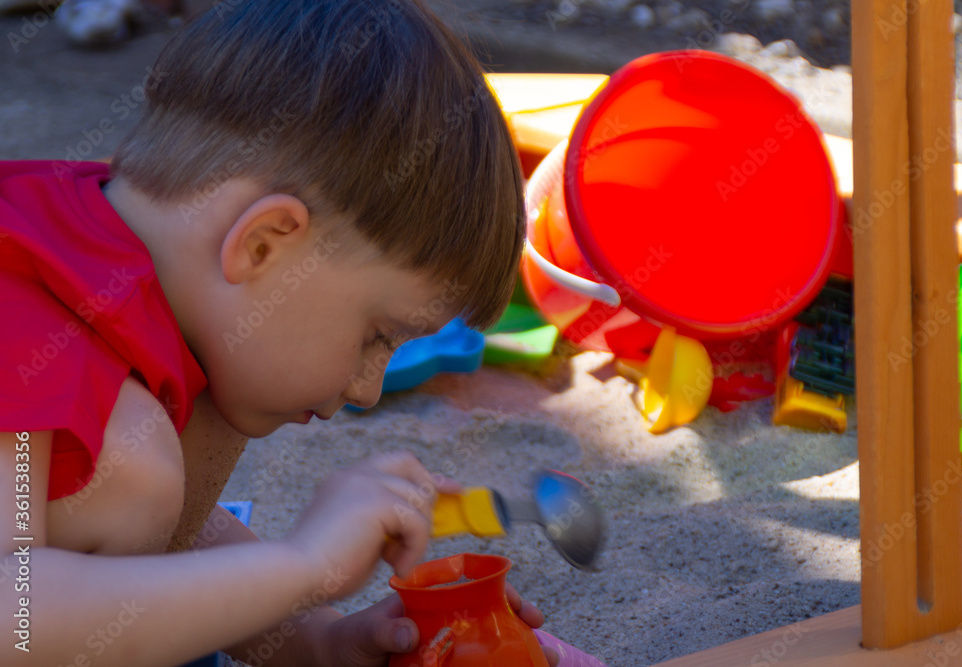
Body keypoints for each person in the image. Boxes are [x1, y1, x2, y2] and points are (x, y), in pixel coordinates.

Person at [0, 0, 584, 664]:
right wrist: (302, 566)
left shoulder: (117, 254)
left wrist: (316, 639)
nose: (367, 389)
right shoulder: (24, 327)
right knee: (137, 468)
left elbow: (166, 533)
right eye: (377, 336)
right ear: (263, 245)